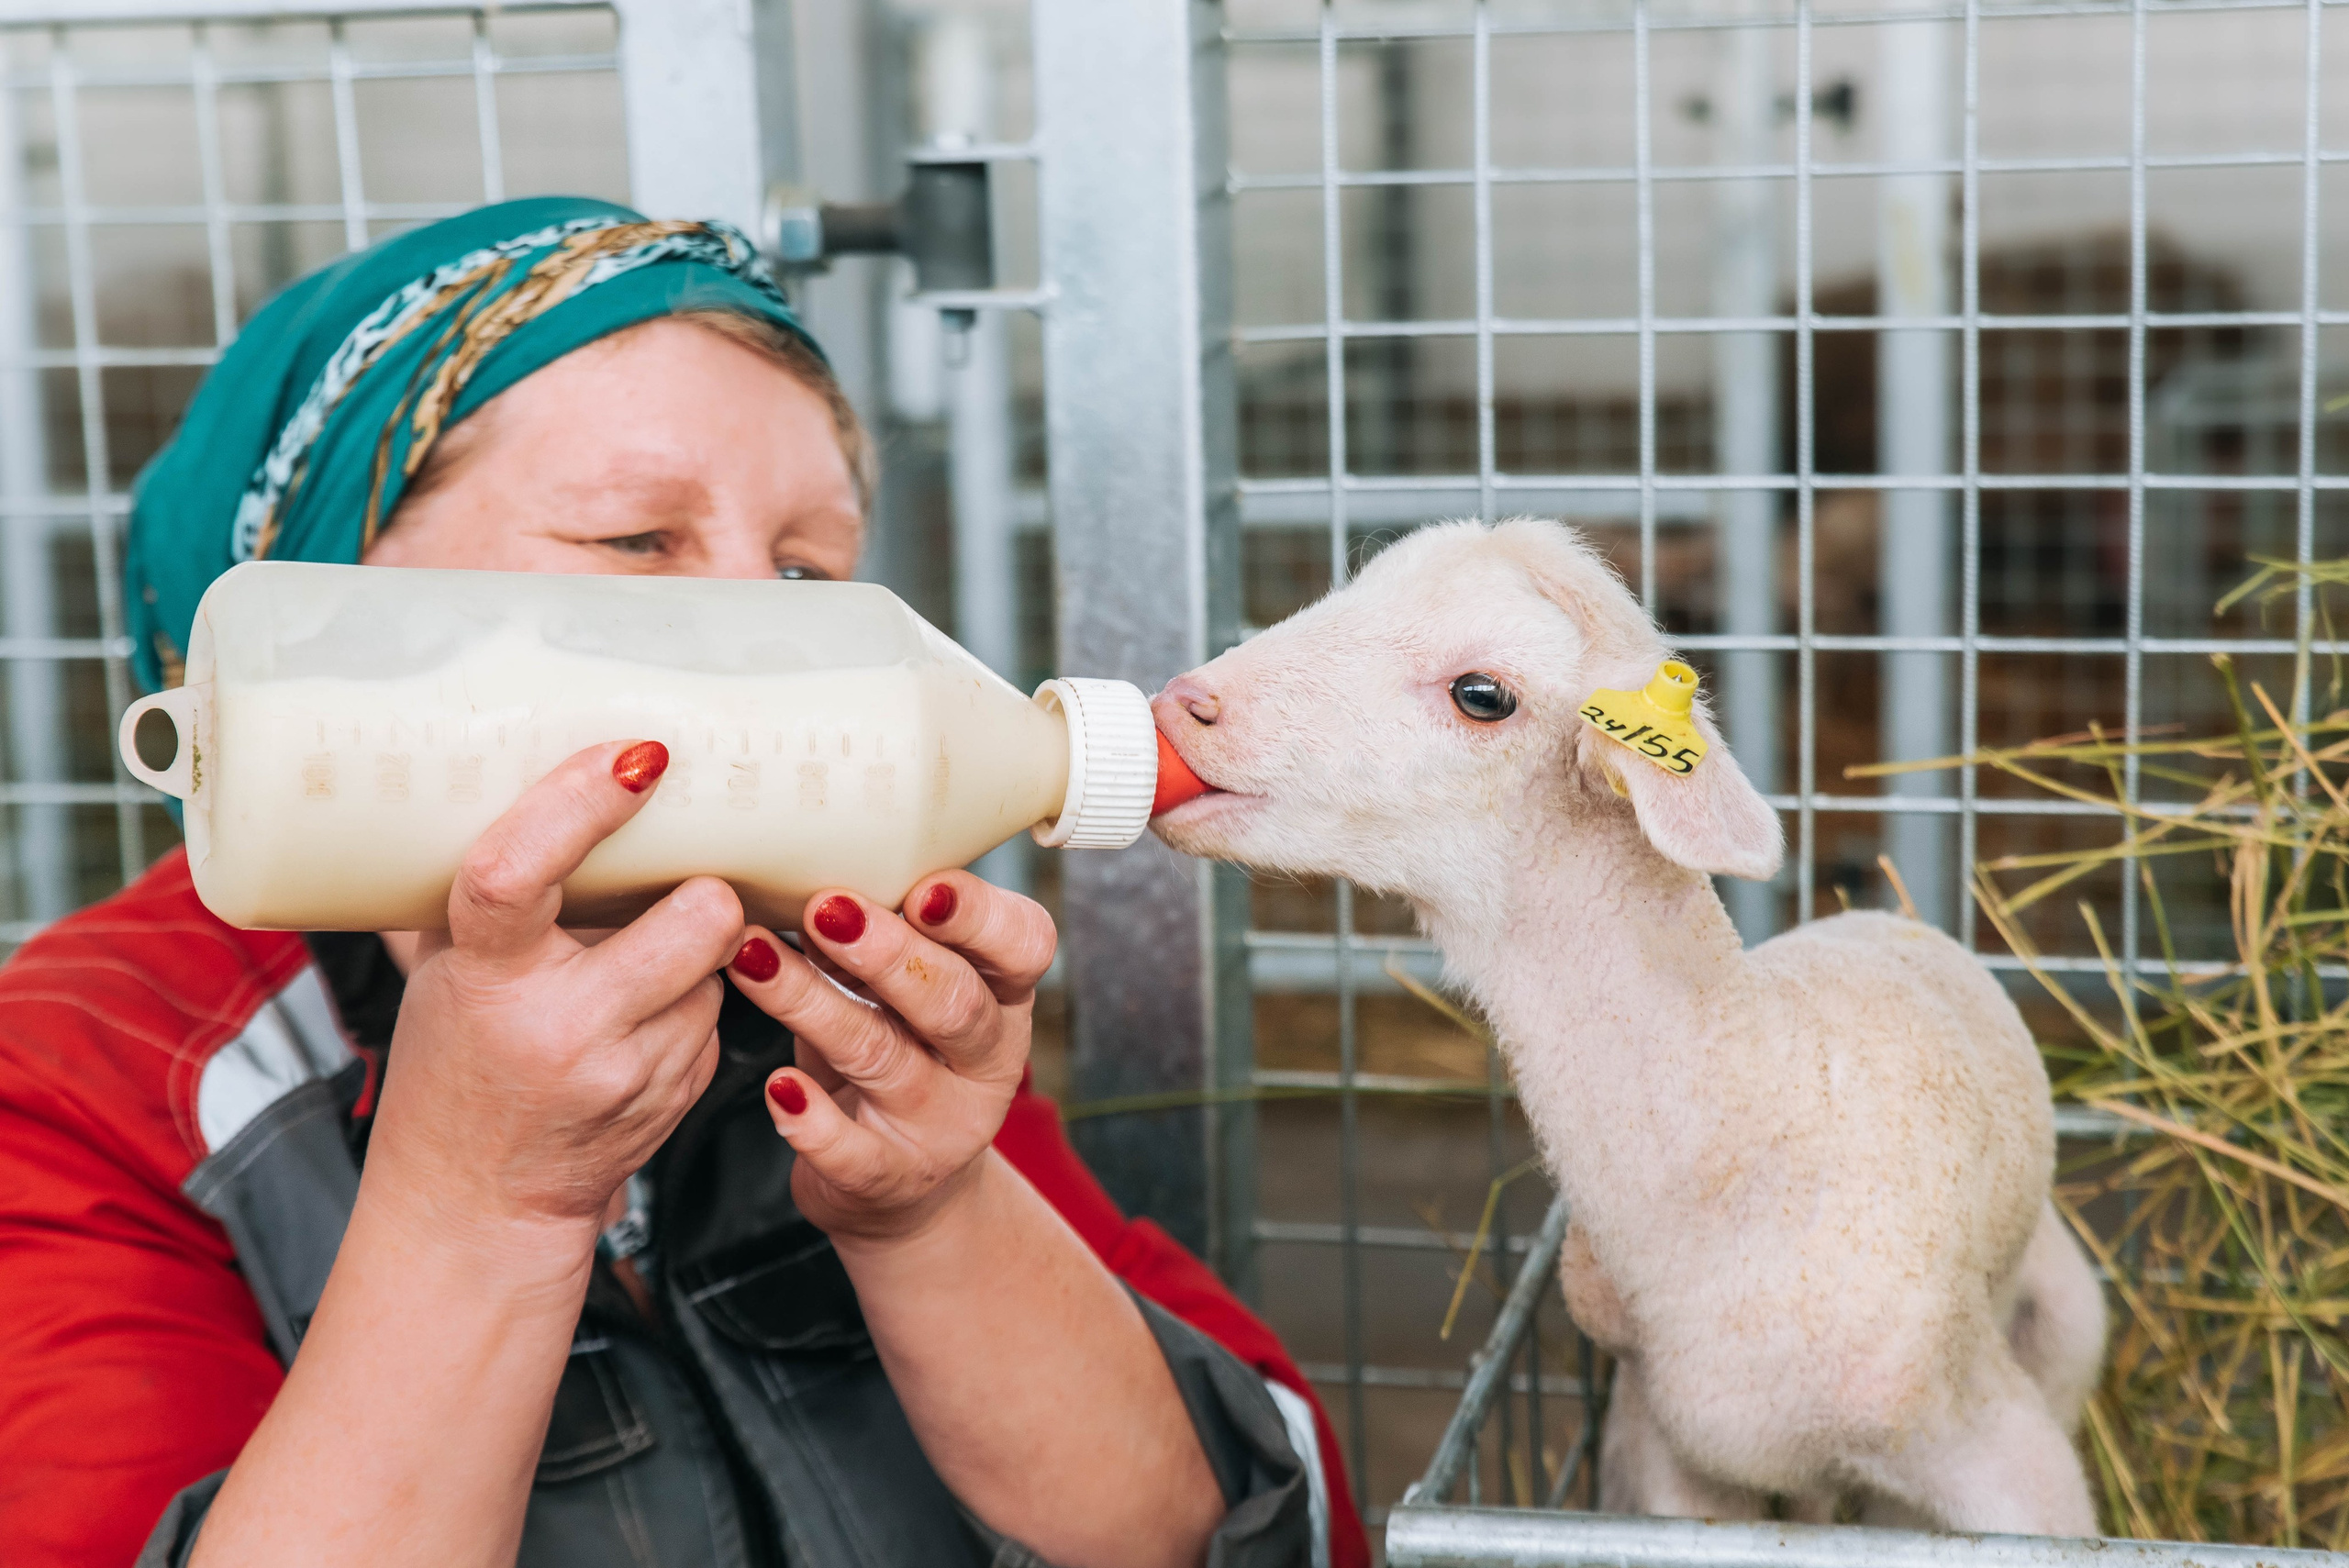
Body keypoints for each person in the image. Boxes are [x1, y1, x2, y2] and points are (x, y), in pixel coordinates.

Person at [0, 196, 1368, 1568]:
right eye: (638, 541)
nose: (763, 626)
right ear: (325, 601)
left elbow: (1267, 1528)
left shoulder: (830, 981)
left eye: (805, 569)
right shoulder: (92, 1070)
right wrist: (478, 1207)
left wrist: (933, 1213)